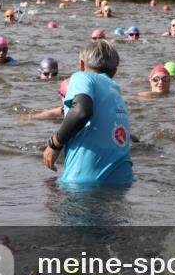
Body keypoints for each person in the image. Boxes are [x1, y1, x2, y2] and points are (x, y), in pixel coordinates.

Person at [42, 41, 133, 186]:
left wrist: (54, 144)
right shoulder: (115, 90)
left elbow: (81, 112)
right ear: (114, 72)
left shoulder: (82, 77)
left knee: (48, 191)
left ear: (82, 65)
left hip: (84, 183)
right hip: (124, 180)